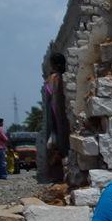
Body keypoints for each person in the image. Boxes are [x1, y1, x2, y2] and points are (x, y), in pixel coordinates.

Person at [43, 52, 69, 183]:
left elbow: (49, 101)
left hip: (54, 118)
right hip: (65, 119)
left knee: (55, 148)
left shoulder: (52, 79)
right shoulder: (64, 77)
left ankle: (57, 177)